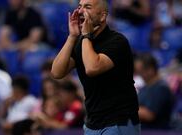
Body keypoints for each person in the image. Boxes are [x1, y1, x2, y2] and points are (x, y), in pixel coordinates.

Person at [51, 0, 140, 134]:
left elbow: (92, 68)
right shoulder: (80, 41)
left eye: (87, 7)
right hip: (92, 123)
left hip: (118, 122)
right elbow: (57, 72)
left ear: (103, 16)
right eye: (80, 7)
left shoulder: (117, 41)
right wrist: (72, 37)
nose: (80, 11)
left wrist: (86, 35)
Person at [135, 54, 174, 129]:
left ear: (151, 70)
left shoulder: (161, 88)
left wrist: (125, 109)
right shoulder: (145, 87)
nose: (139, 74)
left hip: (156, 131)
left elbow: (149, 115)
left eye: (141, 71)